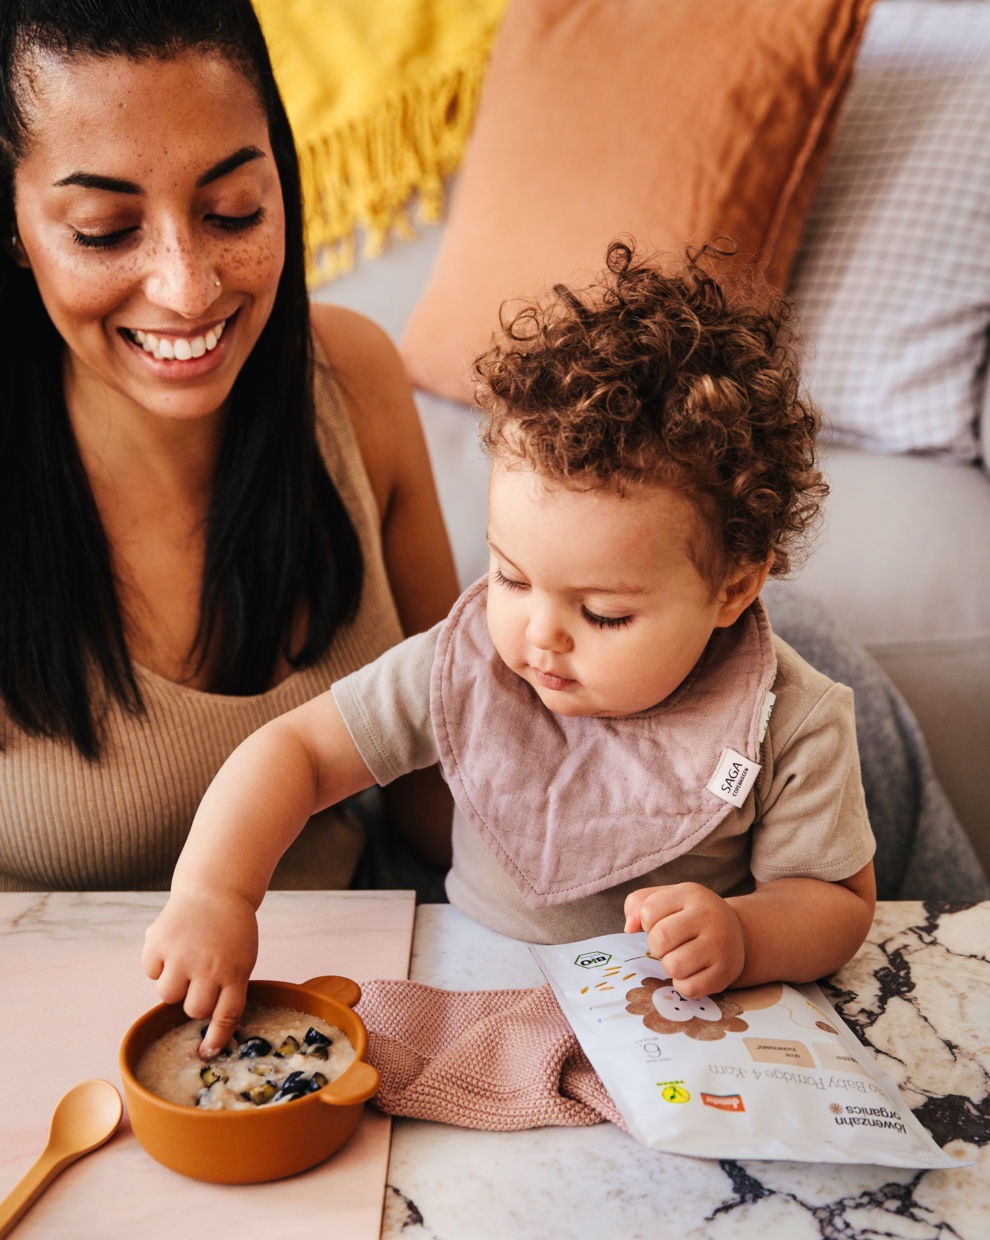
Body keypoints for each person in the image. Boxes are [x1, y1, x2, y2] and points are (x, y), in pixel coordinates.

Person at [144, 239, 878, 1057]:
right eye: (511, 577)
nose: (539, 635)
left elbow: (836, 901)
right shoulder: (469, 666)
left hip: (671, 1031)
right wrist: (215, 892)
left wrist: (743, 935)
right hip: (475, 991)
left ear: (734, 588)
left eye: (603, 614)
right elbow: (300, 752)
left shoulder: (789, 721)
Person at [0, 0, 459, 892]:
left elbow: (448, 802)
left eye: (233, 212)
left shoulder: (354, 381)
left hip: (350, 969)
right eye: (105, 230)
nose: (187, 289)